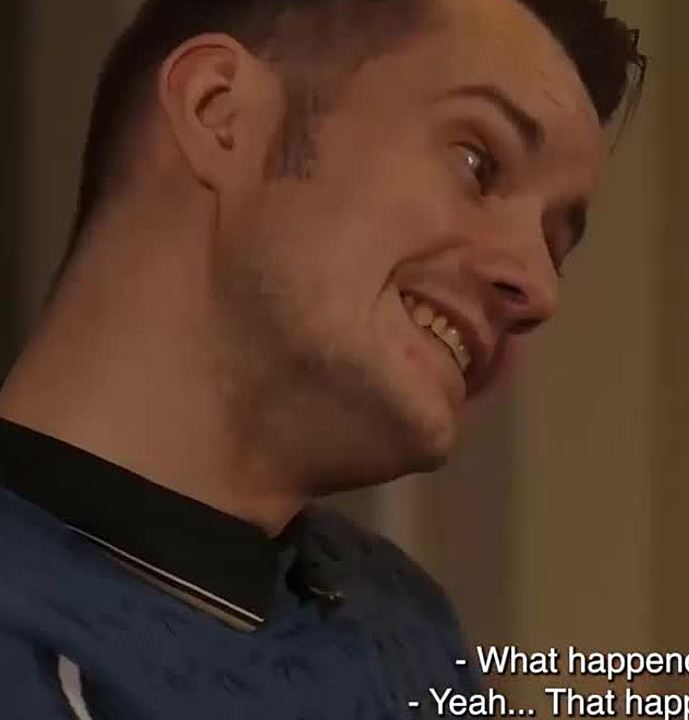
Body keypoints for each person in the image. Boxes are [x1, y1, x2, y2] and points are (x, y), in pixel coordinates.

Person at [0, 0, 644, 717]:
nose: (539, 289)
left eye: (554, 245)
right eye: (477, 162)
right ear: (220, 112)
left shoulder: (409, 630)